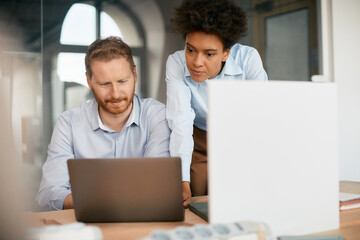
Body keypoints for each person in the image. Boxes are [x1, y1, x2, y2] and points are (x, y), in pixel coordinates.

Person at [37, 36, 171, 211]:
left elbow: (157, 184)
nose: (115, 94)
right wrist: (97, 202)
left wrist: (95, 198)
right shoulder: (69, 122)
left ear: (135, 75)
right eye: (105, 84)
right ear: (89, 82)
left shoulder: (157, 115)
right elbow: (47, 195)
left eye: (122, 81)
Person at [166, 0, 268, 206]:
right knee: (194, 199)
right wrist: (182, 180)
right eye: (191, 50)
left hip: (237, 137)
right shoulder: (176, 63)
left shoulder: (248, 60)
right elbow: (180, 121)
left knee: (238, 198)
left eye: (209, 54)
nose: (196, 62)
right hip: (197, 140)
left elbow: (260, 117)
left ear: (226, 53)